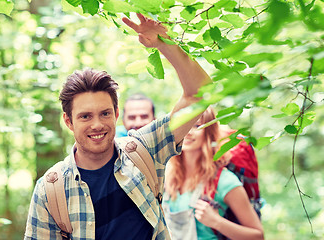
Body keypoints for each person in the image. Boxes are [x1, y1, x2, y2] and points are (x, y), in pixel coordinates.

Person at [24, 13, 212, 240]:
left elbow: (200, 94)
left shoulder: (145, 149)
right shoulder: (50, 190)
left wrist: (164, 43)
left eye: (105, 114)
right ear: (68, 121)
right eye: (85, 116)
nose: (97, 124)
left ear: (116, 114)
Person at [163, 107, 264, 240]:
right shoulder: (167, 175)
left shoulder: (224, 181)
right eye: (184, 125)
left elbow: (258, 236)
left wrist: (217, 222)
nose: (188, 132)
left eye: (197, 126)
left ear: (209, 132)